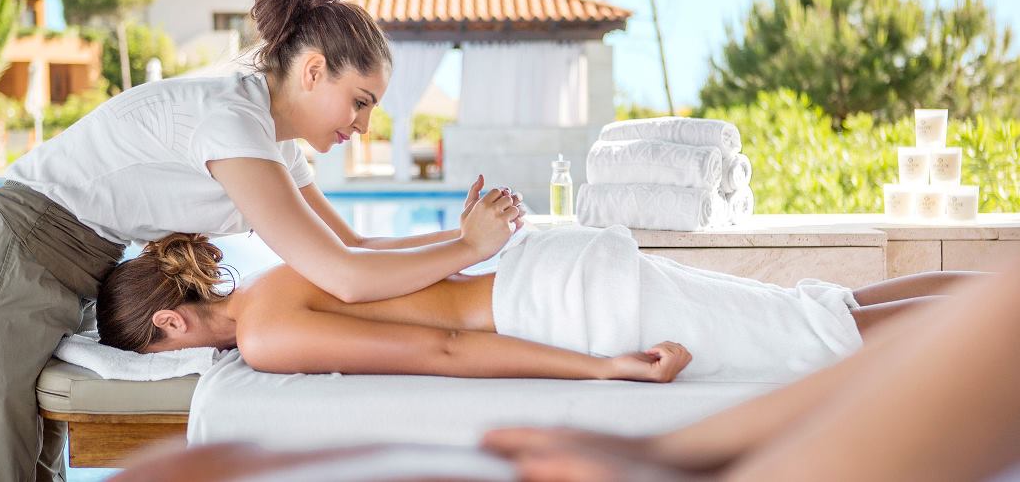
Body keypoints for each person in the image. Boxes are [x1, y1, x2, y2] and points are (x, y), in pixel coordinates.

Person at [0, 0, 525, 482]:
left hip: (55, 269)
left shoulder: (272, 139)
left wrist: (466, 235)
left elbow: (353, 244)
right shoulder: (231, 123)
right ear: (314, 71)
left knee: (30, 463)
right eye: (360, 101)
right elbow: (344, 276)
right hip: (11, 260)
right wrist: (468, 249)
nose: (364, 125)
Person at [95, 226, 976, 385]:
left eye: (160, 354)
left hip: (567, 307)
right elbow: (403, 259)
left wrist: (603, 367)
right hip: (552, 267)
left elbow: (445, 351)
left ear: (169, 324)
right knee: (824, 308)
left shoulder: (264, 336)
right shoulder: (282, 275)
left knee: (824, 338)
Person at [481, 252, 1020, 481]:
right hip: (586, 282)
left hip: (593, 277)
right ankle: (684, 452)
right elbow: (448, 346)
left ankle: (690, 455)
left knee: (821, 320)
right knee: (825, 317)